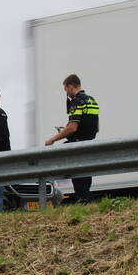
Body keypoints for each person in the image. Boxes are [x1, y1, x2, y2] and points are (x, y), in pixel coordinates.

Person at [45, 74, 99, 202]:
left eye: (66, 90)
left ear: (70, 86)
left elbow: (73, 127)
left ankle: (84, 203)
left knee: (79, 181)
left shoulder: (76, 101)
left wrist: (53, 139)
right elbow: (96, 127)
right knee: (86, 178)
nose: (67, 94)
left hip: (78, 145)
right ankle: (86, 202)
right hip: (89, 144)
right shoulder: (92, 100)